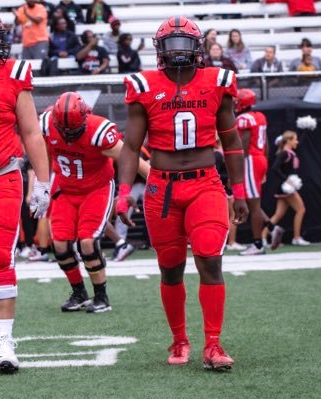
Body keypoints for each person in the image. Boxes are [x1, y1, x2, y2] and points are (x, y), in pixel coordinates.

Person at [117, 16, 248, 371]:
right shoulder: (144, 85)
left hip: (205, 182)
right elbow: (130, 146)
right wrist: (124, 192)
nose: (178, 52)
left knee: (209, 257)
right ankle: (179, 339)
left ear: (198, 48)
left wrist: (239, 191)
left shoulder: (218, 81)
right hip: (162, 187)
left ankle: (213, 344)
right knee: (170, 268)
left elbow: (232, 142)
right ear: (160, 50)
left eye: (184, 44)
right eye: (171, 45)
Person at [39, 92, 149, 313]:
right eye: (64, 129)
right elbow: (40, 151)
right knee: (59, 244)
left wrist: (158, 182)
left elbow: (129, 157)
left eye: (74, 129)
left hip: (95, 189)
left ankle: (101, 296)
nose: (69, 134)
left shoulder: (97, 130)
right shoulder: (46, 123)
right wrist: (40, 184)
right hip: (66, 189)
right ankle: (79, 292)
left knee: (87, 242)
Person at [0, 10, 50, 373]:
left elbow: (31, 132)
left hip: (1, 175)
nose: (0, 43)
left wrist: (41, 181)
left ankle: (3, 340)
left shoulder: (13, 73)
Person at [234, 89, 284, 255]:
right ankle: (272, 227)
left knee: (253, 205)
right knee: (251, 202)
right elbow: (267, 144)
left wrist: (237, 170)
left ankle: (258, 244)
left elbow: (244, 147)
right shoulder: (260, 116)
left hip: (250, 160)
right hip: (260, 158)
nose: (235, 103)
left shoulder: (243, 119)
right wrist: (264, 165)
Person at [263, 130, 309, 246]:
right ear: (288, 140)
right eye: (295, 139)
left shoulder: (290, 152)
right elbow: (275, 168)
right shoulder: (285, 153)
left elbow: (301, 143)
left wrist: (306, 131)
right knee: (301, 209)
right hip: (286, 188)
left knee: (278, 214)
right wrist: (287, 180)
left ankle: (263, 237)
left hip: (285, 188)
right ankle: (297, 237)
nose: (297, 142)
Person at [214, 136, 246, 251]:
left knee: (230, 216)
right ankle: (231, 242)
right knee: (232, 216)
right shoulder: (218, 155)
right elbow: (214, 173)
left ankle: (230, 241)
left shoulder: (222, 153)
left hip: (226, 189)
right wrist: (227, 179)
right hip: (224, 190)